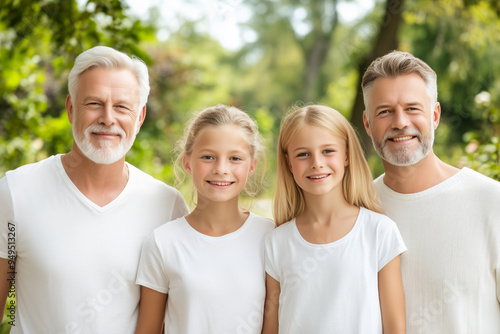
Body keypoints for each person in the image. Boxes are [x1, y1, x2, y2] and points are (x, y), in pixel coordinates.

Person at [0, 46, 189, 333]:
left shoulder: (167, 207)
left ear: (139, 118)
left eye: (122, 107)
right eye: (94, 103)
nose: (108, 118)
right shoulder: (16, 191)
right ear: (71, 108)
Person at [362, 50, 500, 333]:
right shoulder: (358, 210)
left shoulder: (491, 202)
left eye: (412, 108)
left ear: (434, 115)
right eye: (385, 111)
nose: (400, 122)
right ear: (367, 123)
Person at [262, 105, 407, 334]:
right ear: (289, 163)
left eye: (328, 151)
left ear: (347, 155)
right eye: (303, 154)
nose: (316, 163)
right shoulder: (277, 242)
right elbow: (272, 328)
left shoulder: (379, 231)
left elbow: (395, 328)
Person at [134, 104, 275, 334]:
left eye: (235, 158)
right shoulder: (162, 243)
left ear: (252, 166)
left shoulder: (270, 237)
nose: (221, 169)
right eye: (208, 157)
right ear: (187, 162)